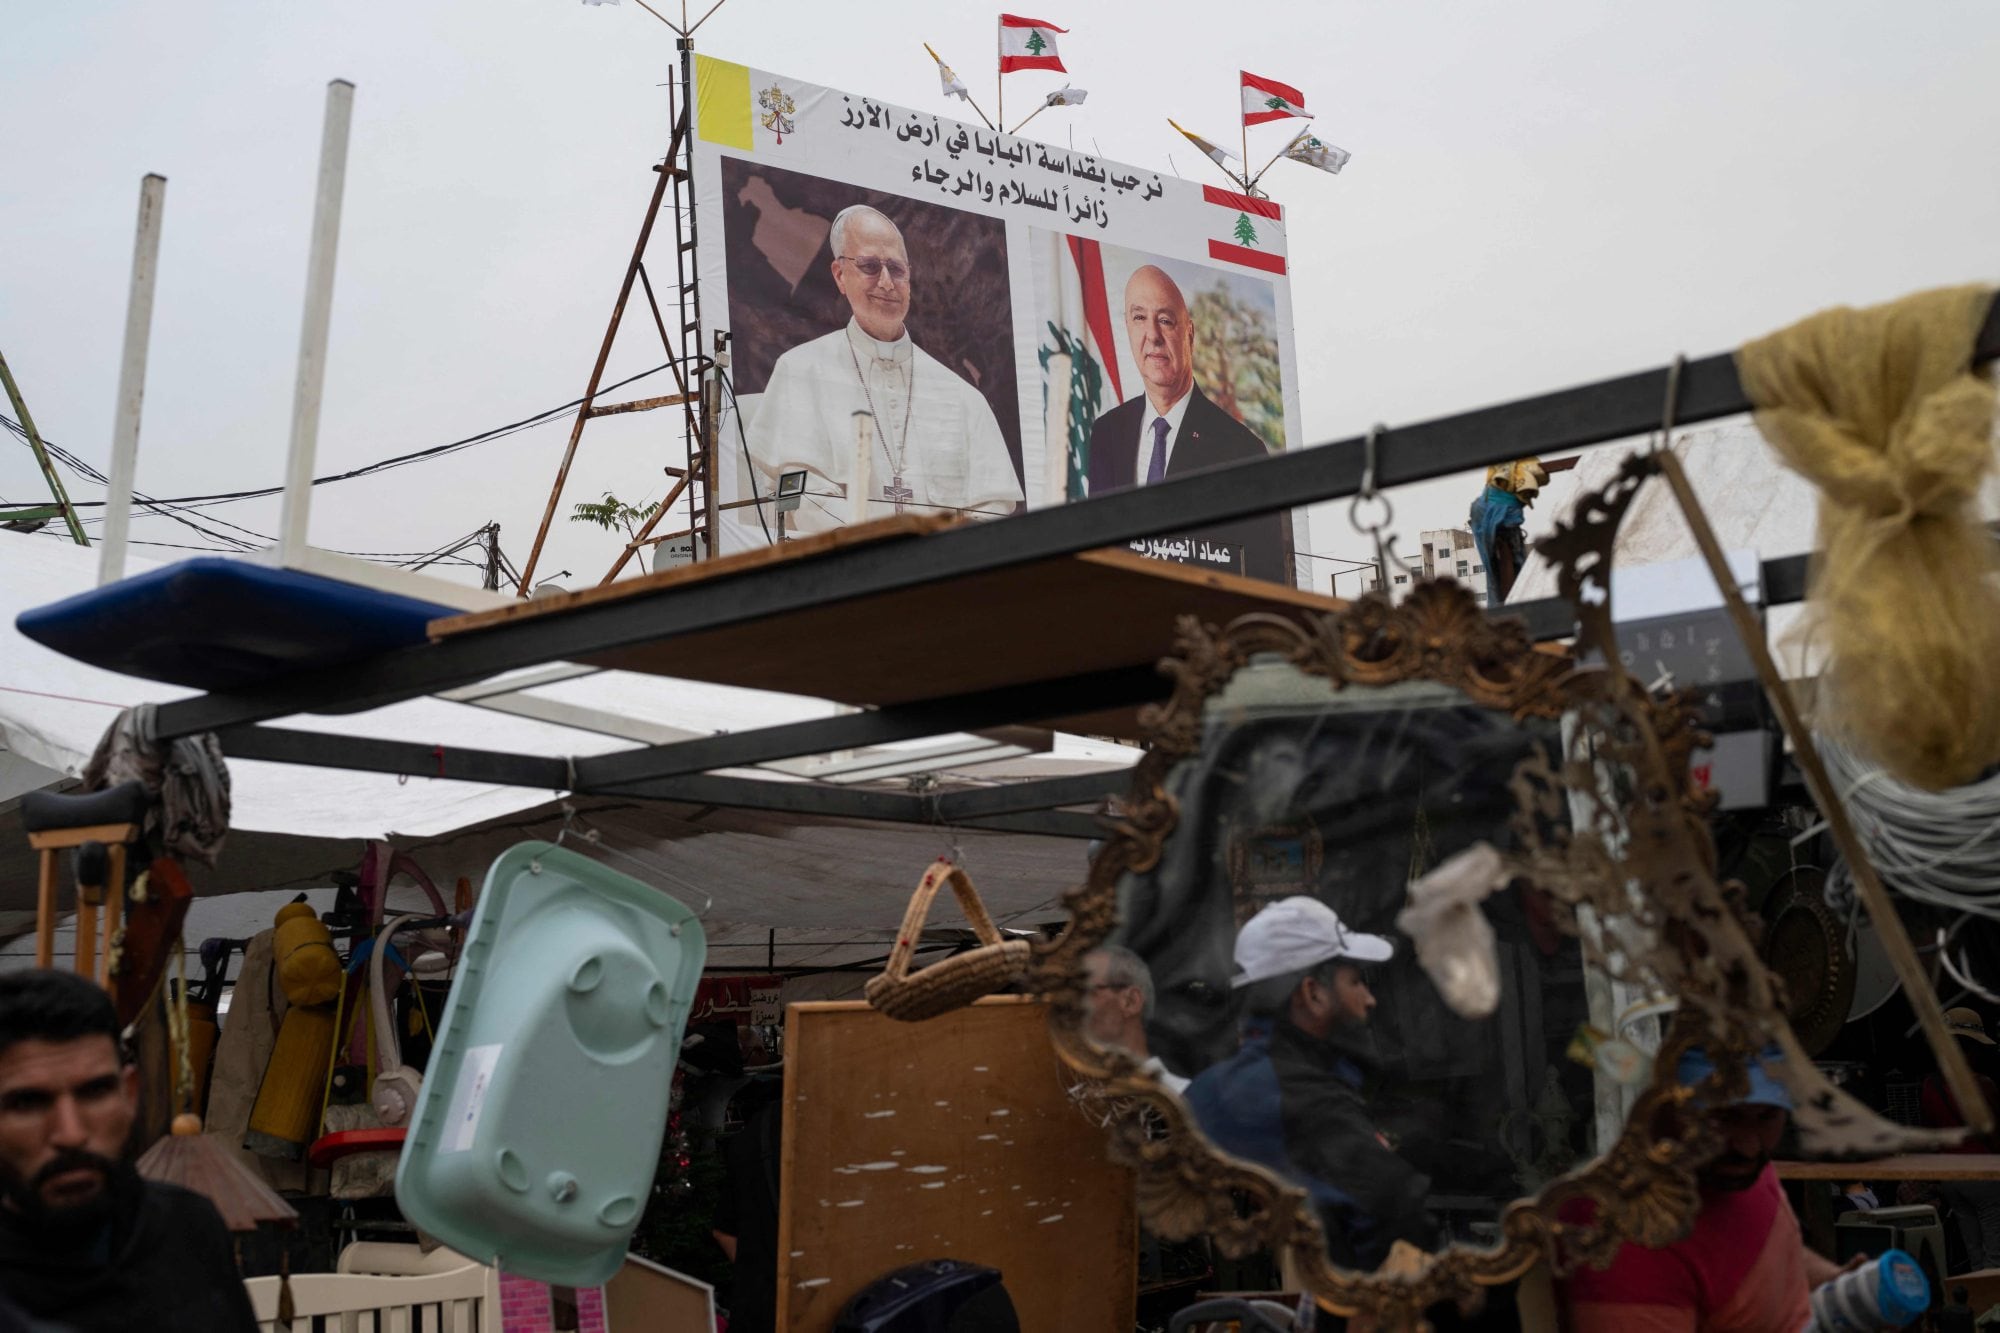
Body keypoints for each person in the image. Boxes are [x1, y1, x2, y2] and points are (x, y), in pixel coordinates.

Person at [1181, 896, 1437, 1271]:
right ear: (1312, 993)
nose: (1369, 999)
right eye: (1354, 981)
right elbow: (1398, 1217)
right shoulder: (1310, 1100)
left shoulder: (1203, 1090)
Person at [0, 970, 258, 1332]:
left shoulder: (187, 1227)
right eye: (29, 1103)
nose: (71, 1134)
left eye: (94, 1092)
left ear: (130, 1093)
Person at [745, 204, 1023, 531]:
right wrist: (882, 545)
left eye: (897, 268)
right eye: (870, 266)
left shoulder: (964, 398)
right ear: (839, 275)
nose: (887, 283)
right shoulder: (800, 371)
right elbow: (799, 492)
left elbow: (992, 506)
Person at [1556, 1045, 1857, 1332]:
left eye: (1767, 1116)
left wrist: (1840, 1283)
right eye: (1725, 1116)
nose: (1749, 1146)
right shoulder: (1631, 1240)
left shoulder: (1730, 1167)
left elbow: (1757, 1252)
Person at [1084, 264, 1292, 585]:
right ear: (1127, 326)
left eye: (1165, 321)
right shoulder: (1106, 433)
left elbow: (1265, 577)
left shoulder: (1242, 449)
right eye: (1139, 318)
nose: (1152, 335)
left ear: (1189, 333)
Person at [1921, 1007, 2000, 1269]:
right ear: (1971, 1048)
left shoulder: (1929, 1086)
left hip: (1951, 1178)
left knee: (1973, 1249)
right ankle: (1993, 1306)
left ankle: (1977, 1304)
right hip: (1984, 1176)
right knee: (1995, 1250)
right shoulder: (1983, 1085)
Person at [1082, 946, 1189, 1094]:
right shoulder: (1062, 1096)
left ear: (1131, 1001)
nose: (1068, 1004)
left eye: (1082, 991)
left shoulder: (1185, 1099)